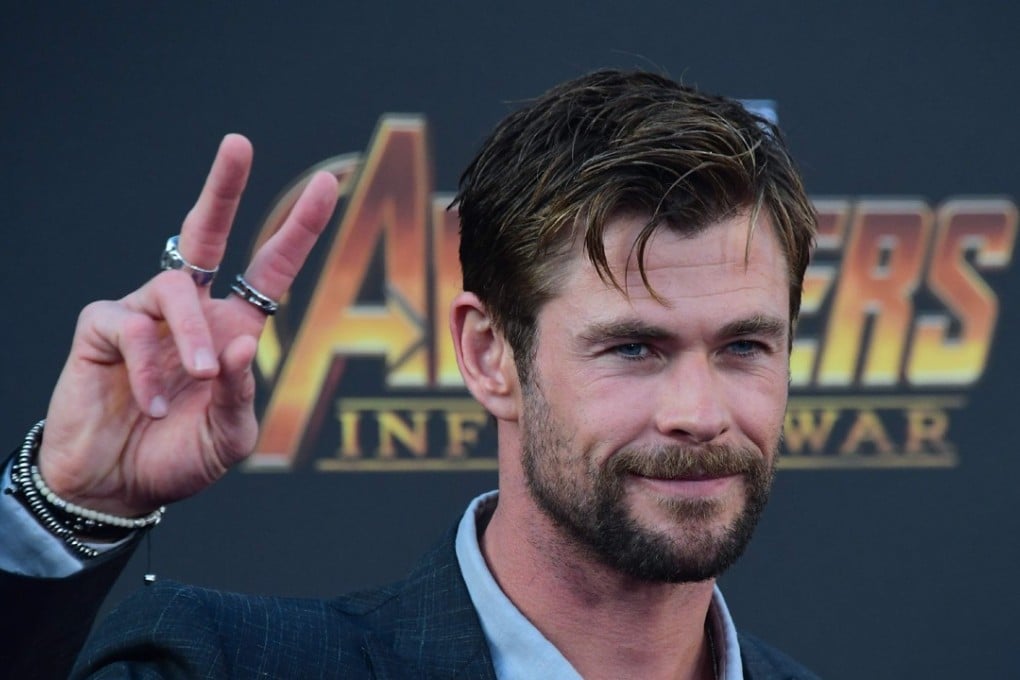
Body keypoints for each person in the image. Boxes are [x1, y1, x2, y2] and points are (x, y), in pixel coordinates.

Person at [2, 70, 820, 679]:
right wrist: (76, 503)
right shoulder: (222, 663)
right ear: (488, 354)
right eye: (633, 348)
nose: (698, 411)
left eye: (744, 347)